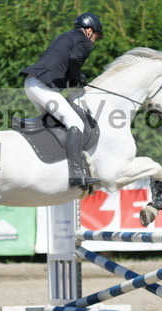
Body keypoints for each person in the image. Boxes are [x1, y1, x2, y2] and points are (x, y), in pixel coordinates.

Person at [20, 12, 104, 190]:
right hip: (42, 87)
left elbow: (61, 64)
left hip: (31, 83)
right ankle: (76, 175)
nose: (95, 40)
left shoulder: (65, 36)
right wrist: (77, 77)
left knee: (56, 124)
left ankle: (52, 168)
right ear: (89, 30)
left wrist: (74, 78)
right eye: (96, 35)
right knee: (76, 123)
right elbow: (75, 59)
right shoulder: (84, 40)